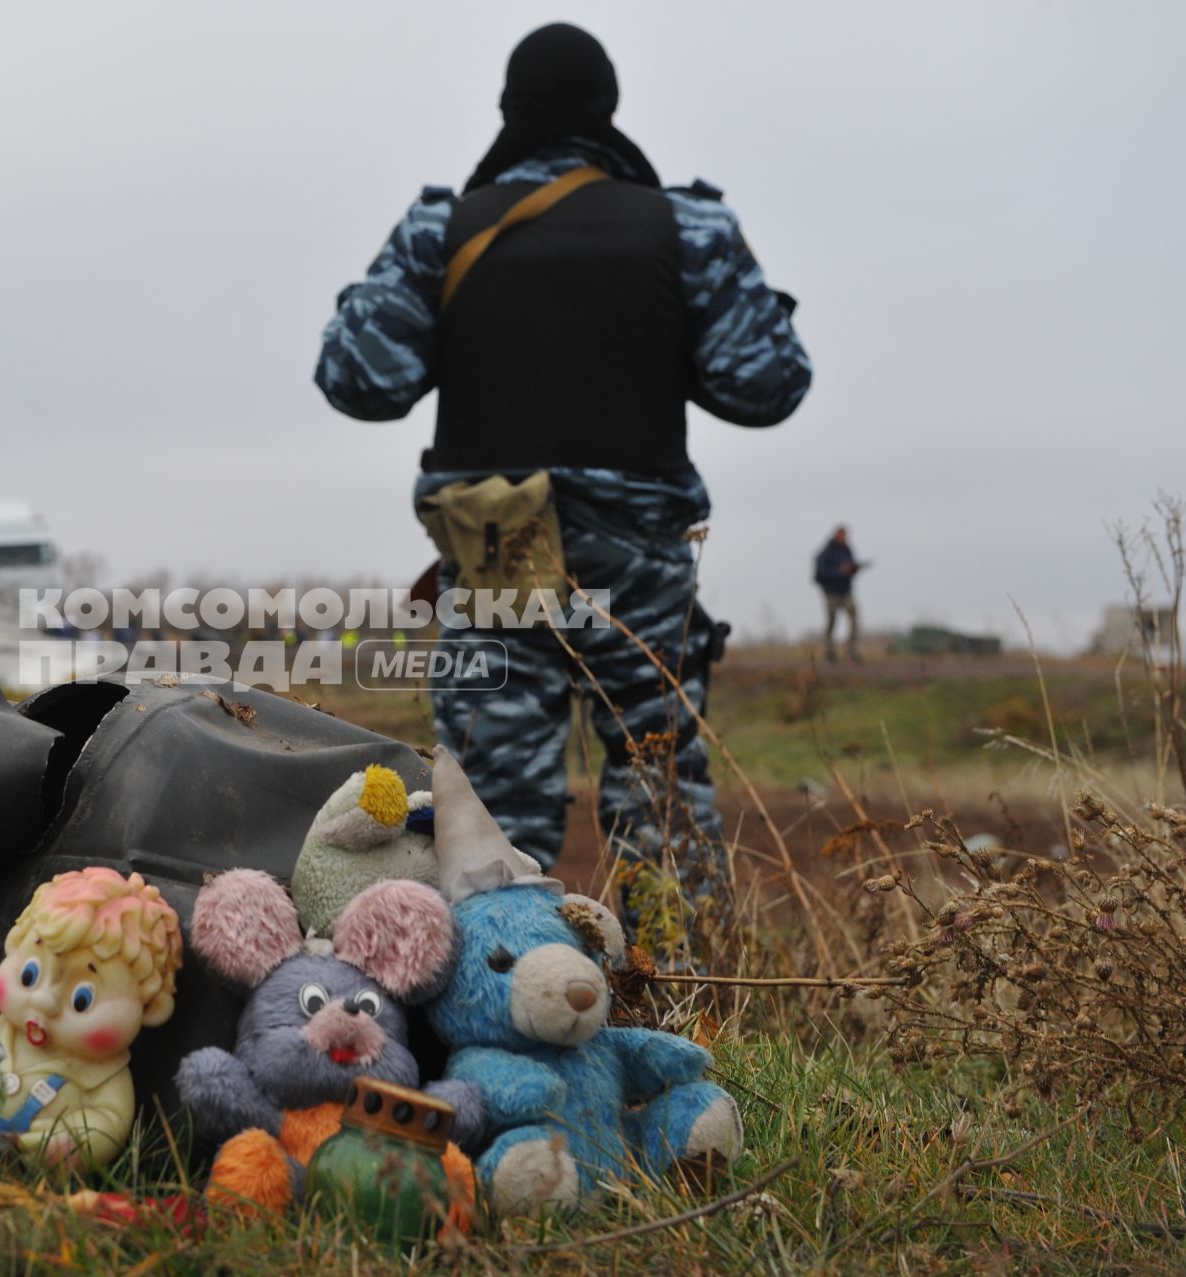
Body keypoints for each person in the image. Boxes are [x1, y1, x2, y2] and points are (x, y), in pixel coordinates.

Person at [314, 22, 811, 944]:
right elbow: (768, 383)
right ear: (609, 112)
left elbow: (359, 378)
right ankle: (691, 1015)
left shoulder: (442, 230)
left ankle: (498, 1003)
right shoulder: (688, 228)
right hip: (646, 569)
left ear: (509, 113)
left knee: (488, 812)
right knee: (660, 800)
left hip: (499, 549)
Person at [814, 526, 861, 663]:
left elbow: (850, 569)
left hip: (846, 591)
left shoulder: (847, 550)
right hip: (831, 593)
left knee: (854, 617)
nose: (844, 538)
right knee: (832, 621)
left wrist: (853, 569)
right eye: (842, 535)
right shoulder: (825, 552)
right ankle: (830, 652)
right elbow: (819, 574)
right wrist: (839, 571)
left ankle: (851, 651)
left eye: (846, 535)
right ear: (836, 535)